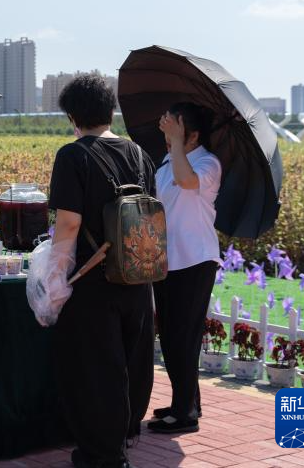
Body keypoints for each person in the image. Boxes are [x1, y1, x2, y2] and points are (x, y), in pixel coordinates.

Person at [44, 73, 156, 468]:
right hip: (138, 276)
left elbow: (68, 225)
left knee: (95, 370)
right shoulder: (140, 155)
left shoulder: (73, 156)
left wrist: (55, 279)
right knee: (130, 364)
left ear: (72, 117)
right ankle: (122, 438)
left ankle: (102, 456)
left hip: (94, 283)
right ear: (111, 111)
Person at [147, 103, 221, 434]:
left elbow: (187, 181)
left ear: (193, 136)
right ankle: (188, 401)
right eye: (165, 134)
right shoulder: (166, 163)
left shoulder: (208, 163)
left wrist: (176, 144)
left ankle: (185, 412)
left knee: (183, 337)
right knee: (171, 335)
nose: (167, 141)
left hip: (195, 260)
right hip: (168, 261)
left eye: (175, 134)